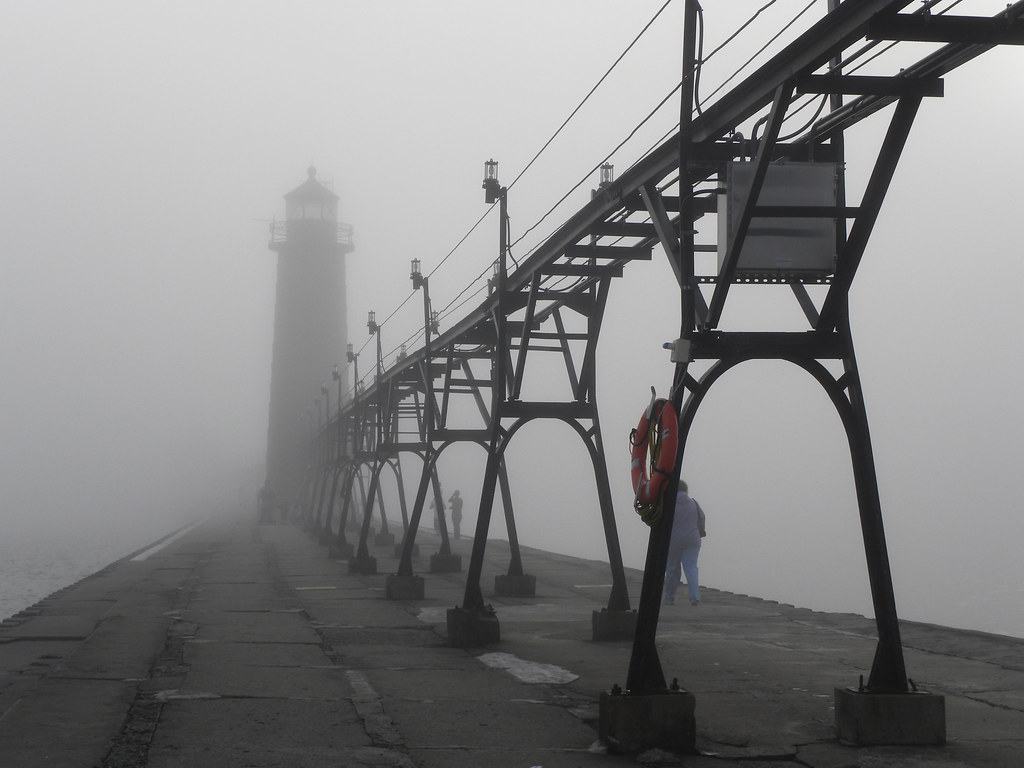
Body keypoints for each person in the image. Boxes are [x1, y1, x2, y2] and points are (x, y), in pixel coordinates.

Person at [663, 480, 706, 606]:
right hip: (693, 540)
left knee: (672, 569)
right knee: (691, 568)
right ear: (686, 490)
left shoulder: (668, 504)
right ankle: (694, 596)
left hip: (673, 540)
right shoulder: (694, 503)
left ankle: (669, 597)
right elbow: (702, 519)